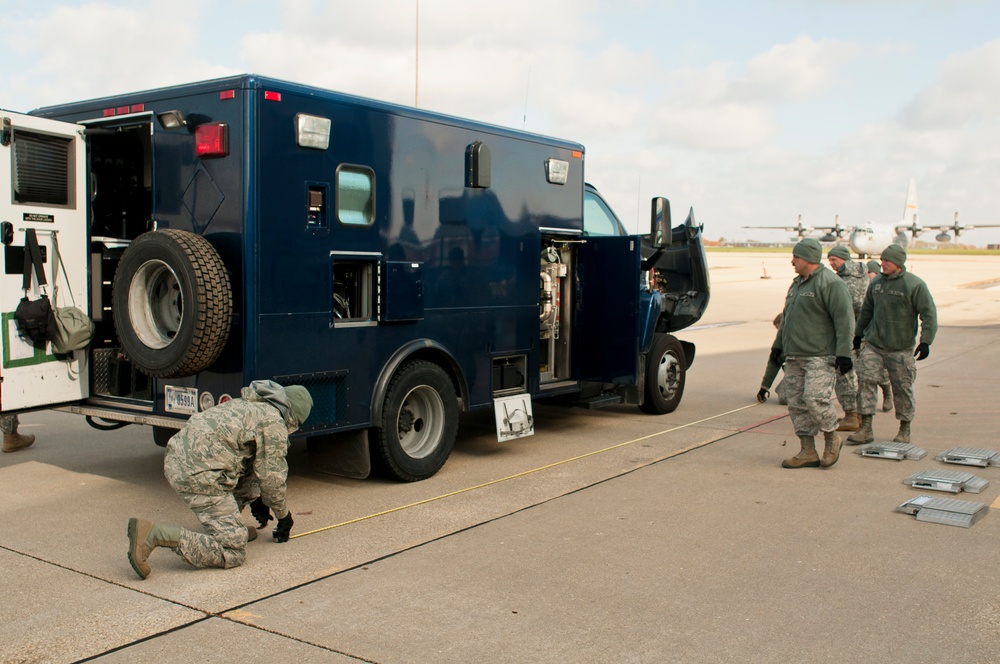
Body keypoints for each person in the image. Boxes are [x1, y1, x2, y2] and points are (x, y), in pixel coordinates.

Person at [127, 380, 312, 579]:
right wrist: (284, 516)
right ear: (293, 417)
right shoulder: (274, 422)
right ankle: (154, 535)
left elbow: (250, 464)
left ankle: (230, 526)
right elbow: (272, 479)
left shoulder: (247, 404)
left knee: (246, 470)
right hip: (199, 474)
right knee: (234, 551)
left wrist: (258, 499)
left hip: (179, 459)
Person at [769, 238, 855, 469]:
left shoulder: (831, 283)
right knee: (796, 404)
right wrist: (779, 347)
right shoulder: (797, 284)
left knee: (815, 399)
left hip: (820, 355)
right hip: (795, 355)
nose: (792, 261)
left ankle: (831, 438)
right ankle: (807, 450)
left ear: (807, 257)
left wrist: (844, 353)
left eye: (795, 257)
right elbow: (787, 319)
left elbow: (844, 320)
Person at [848, 245, 937, 446]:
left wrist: (926, 341)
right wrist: (858, 333)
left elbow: (929, 314)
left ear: (898, 262)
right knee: (865, 382)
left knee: (902, 387)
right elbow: (866, 311)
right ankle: (866, 428)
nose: (883, 263)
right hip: (874, 345)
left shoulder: (914, 285)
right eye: (882, 260)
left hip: (901, 348)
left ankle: (905, 428)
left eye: (887, 260)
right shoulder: (877, 283)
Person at [827, 245, 868, 432]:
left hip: (848, 334)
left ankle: (852, 415)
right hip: (861, 333)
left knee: (845, 374)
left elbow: (850, 309)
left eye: (834, 259)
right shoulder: (862, 275)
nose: (831, 263)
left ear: (843, 259)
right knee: (857, 375)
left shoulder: (845, 281)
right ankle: (858, 414)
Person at [865, 259, 893, 411]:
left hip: (877, 336)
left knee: (880, 372)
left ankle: (887, 390)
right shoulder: (861, 288)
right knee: (864, 373)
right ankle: (864, 410)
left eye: (870, 272)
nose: (868, 275)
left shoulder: (881, 289)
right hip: (861, 334)